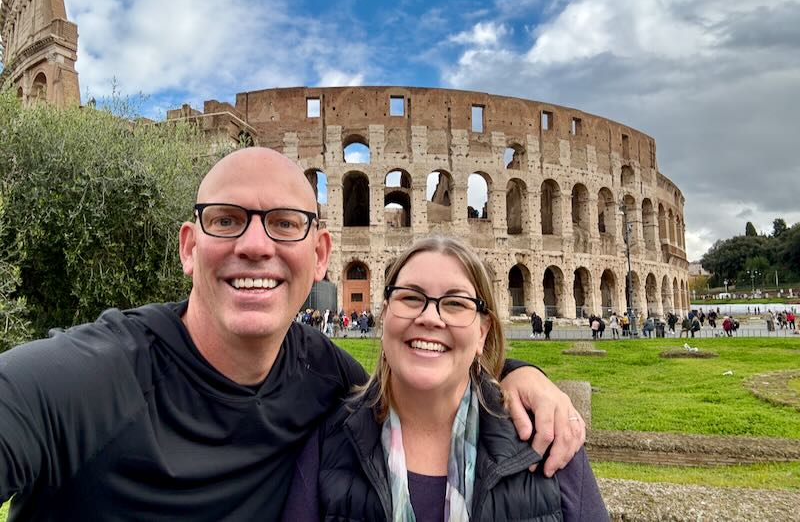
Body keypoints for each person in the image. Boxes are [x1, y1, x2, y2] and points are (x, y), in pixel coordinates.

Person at [0, 148, 585, 521]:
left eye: (284, 224)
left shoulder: (323, 375)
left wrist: (518, 375)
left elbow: (423, 376)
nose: (255, 245)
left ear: (319, 254)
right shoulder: (88, 376)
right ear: (188, 246)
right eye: (226, 219)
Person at [282, 237, 606, 521]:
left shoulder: (550, 437)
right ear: (385, 317)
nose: (429, 317)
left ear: (482, 333)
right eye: (410, 297)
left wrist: (522, 371)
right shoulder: (327, 444)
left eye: (454, 303)